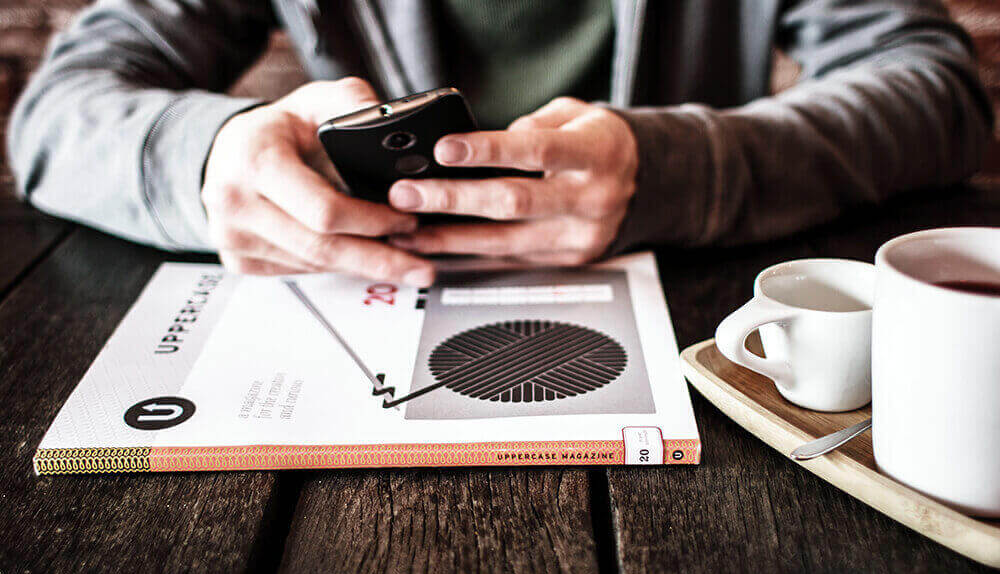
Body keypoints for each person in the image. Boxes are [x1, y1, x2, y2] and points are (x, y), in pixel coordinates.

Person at [7, 1, 993, 287]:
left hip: (707, 317)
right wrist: (207, 158)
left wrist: (675, 172)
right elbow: (59, 111)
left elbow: (937, 85)